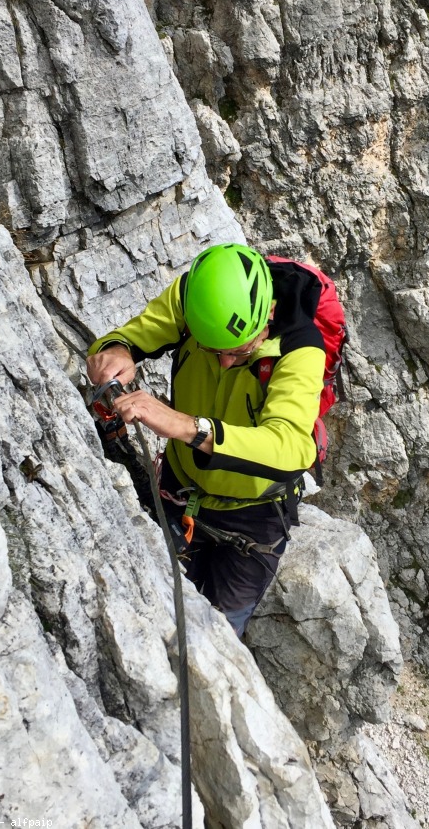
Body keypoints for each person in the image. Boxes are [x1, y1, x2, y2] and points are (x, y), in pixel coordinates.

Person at [87, 243, 326, 636]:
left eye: (239, 350)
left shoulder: (300, 350)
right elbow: (130, 338)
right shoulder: (192, 301)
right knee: (160, 606)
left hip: (255, 516)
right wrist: (114, 352)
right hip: (180, 488)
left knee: (220, 631)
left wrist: (187, 426)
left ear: (267, 311)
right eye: (215, 351)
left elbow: (290, 448)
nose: (226, 361)